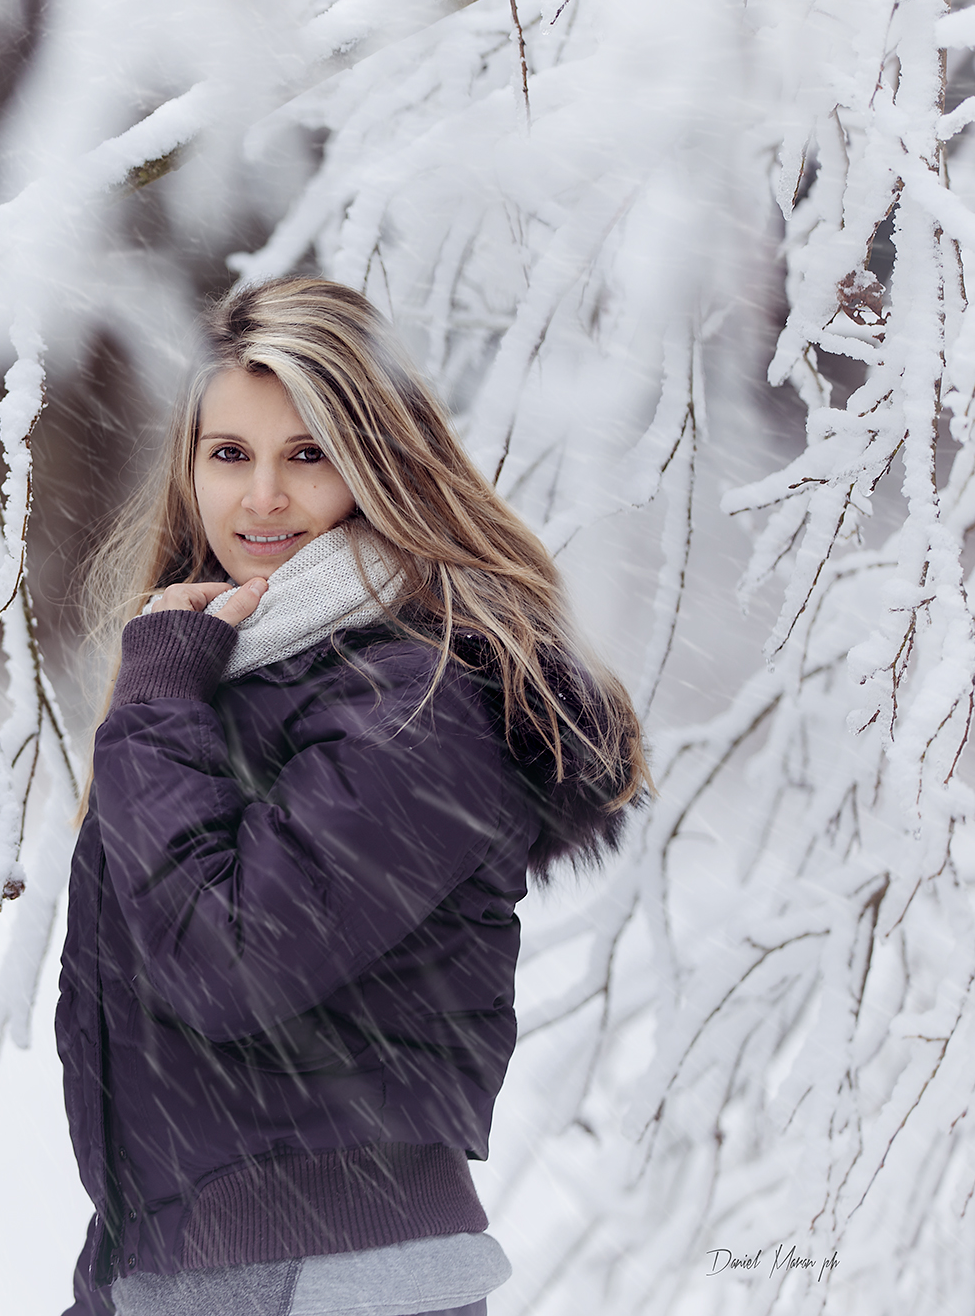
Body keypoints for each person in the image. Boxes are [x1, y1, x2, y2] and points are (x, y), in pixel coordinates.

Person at [58, 277, 647, 1316]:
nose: (261, 497)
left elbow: (229, 963)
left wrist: (155, 701)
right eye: (228, 453)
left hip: (324, 1275)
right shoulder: (239, 674)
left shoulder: (418, 696)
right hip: (192, 1264)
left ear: (379, 464)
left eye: (308, 454)